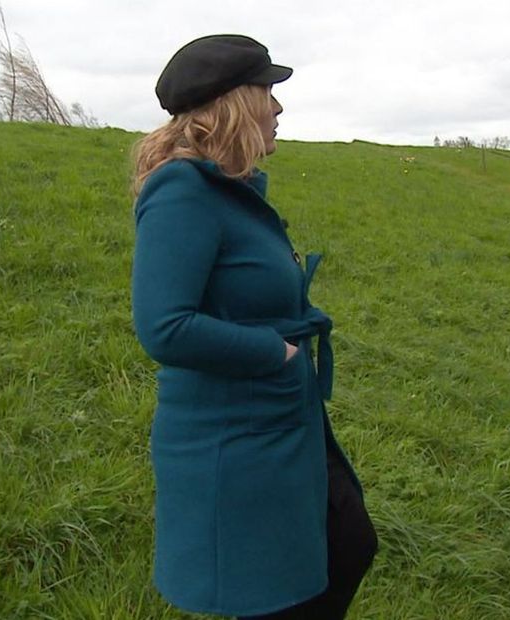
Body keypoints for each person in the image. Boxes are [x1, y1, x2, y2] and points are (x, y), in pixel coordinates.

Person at [130, 34, 376, 620]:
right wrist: (277, 352)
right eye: (269, 90)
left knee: (348, 543)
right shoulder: (182, 191)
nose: (279, 107)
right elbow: (164, 327)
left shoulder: (230, 192)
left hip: (283, 421)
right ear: (234, 102)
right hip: (235, 438)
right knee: (282, 596)